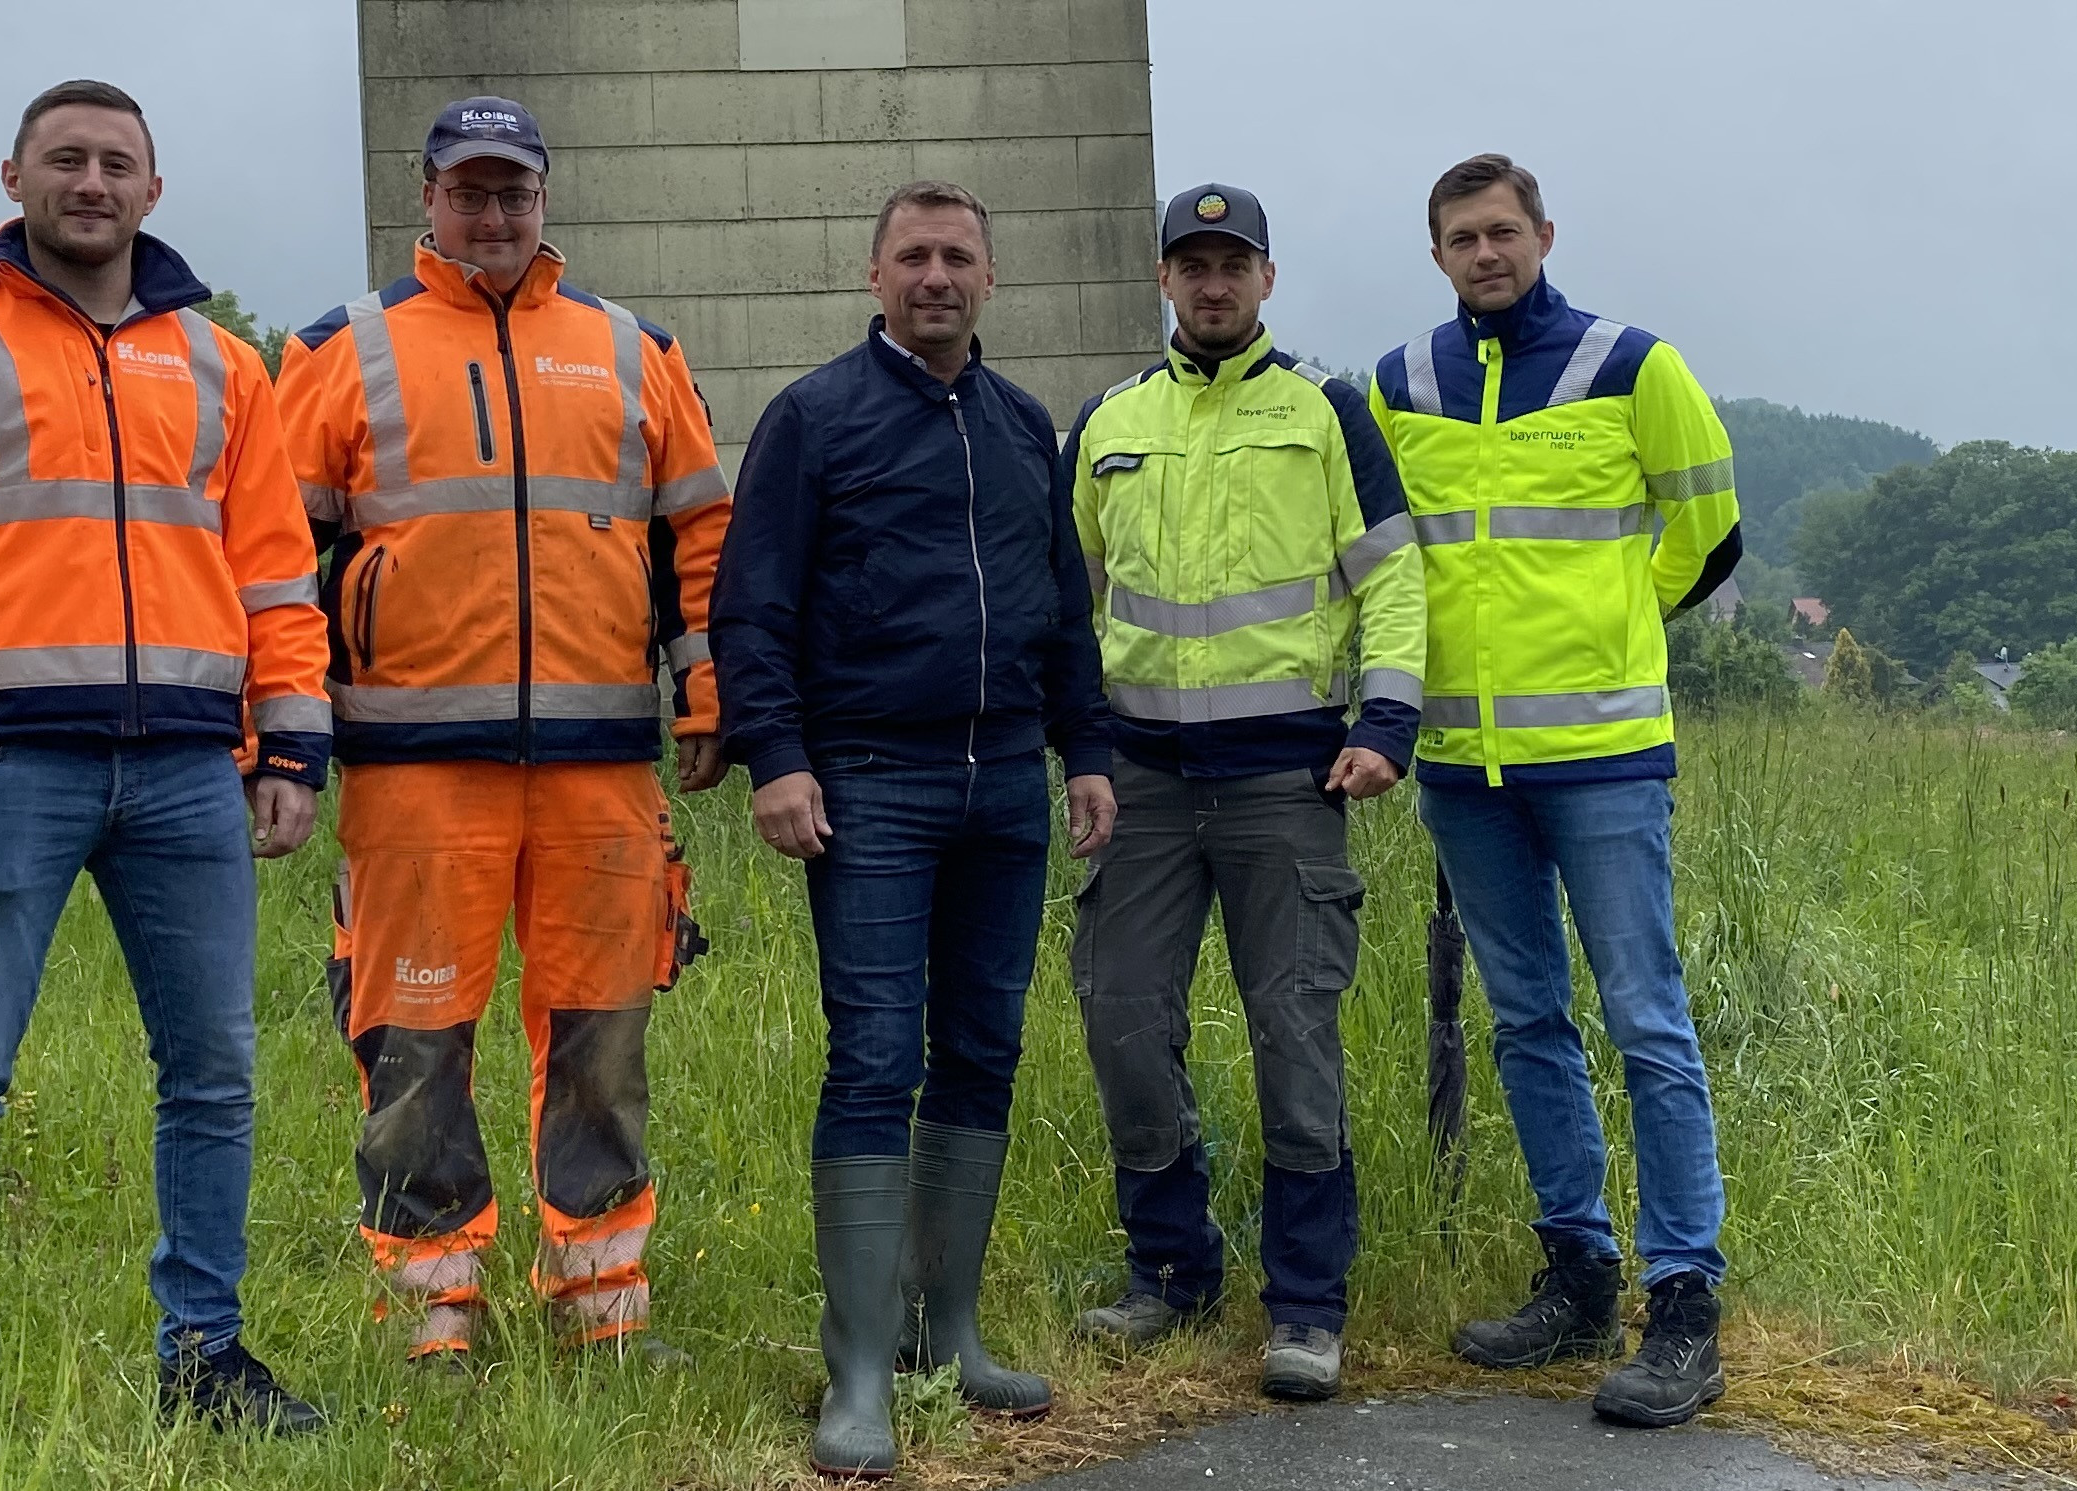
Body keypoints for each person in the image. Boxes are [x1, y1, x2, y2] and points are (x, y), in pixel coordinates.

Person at [0, 78, 328, 1442]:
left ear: (153, 192)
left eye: (116, 163)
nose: (91, 182)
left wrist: (291, 739)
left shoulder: (226, 365)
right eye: (66, 161)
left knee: (214, 1068)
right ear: (16, 177)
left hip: (186, 774)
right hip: (1, 772)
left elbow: (278, 574)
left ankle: (204, 1356)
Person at [274, 96, 730, 1366]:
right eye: (468, 190)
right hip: (414, 775)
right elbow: (271, 561)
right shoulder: (342, 351)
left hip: (596, 771)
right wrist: (286, 734)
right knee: (415, 1044)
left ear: (546, 198)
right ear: (425, 198)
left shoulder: (636, 351)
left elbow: (697, 538)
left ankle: (601, 1304)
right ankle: (431, 1309)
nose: (493, 213)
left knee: (601, 1041)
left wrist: (704, 695)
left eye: (513, 190)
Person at [711, 180, 1117, 1480]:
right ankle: (861, 1373)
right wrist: (777, 756)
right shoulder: (814, 420)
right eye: (914, 256)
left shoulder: (1018, 424)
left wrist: (1087, 749)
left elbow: (1062, 600)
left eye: (958, 256)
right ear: (874, 273)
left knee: (984, 1050)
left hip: (1004, 784)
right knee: (875, 1055)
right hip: (870, 784)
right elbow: (750, 606)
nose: (936, 275)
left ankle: (951, 1332)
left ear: (990, 279)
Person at [1365, 152, 1743, 1430]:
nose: (1486, 252)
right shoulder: (1397, 385)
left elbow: (1708, 533)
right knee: (1528, 1020)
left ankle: (1684, 1301)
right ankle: (1578, 1274)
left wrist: (1610, 634)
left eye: (1503, 231)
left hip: (1603, 757)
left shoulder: (1634, 367)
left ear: (1542, 233)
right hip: (1464, 770)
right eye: (1462, 237)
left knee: (1647, 1020)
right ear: (1436, 255)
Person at [1059, 184, 1420, 1404]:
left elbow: (1393, 578)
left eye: (1233, 264)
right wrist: (1079, 753)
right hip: (1144, 784)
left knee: (1295, 1039)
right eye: (1190, 264)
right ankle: (1172, 1268)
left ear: (1267, 280)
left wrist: (1389, 722)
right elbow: (1072, 605)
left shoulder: (1326, 413)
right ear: (1162, 280)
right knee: (1121, 1022)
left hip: (1284, 780)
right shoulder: (1110, 422)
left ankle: (1308, 1306)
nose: (1212, 285)